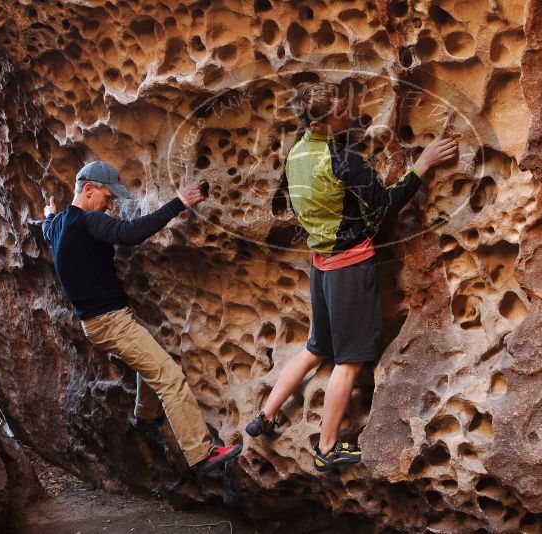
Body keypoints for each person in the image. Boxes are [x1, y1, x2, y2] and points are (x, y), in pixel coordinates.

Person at [245, 83, 457, 472]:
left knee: (316, 347)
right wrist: (422, 164)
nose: (350, 114)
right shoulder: (342, 160)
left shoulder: (296, 154)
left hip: (320, 264)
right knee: (349, 361)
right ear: (324, 121)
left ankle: (266, 415)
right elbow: (385, 207)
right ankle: (328, 448)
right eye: (342, 110)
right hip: (349, 266)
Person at [42, 161, 241, 474]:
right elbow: (131, 233)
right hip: (110, 322)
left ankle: (145, 418)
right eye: (108, 197)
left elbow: (46, 225)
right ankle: (201, 453)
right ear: (89, 189)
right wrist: (180, 203)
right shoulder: (90, 221)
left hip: (101, 322)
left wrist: (49, 210)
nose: (111, 205)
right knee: (169, 377)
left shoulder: (59, 225)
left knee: (149, 357)